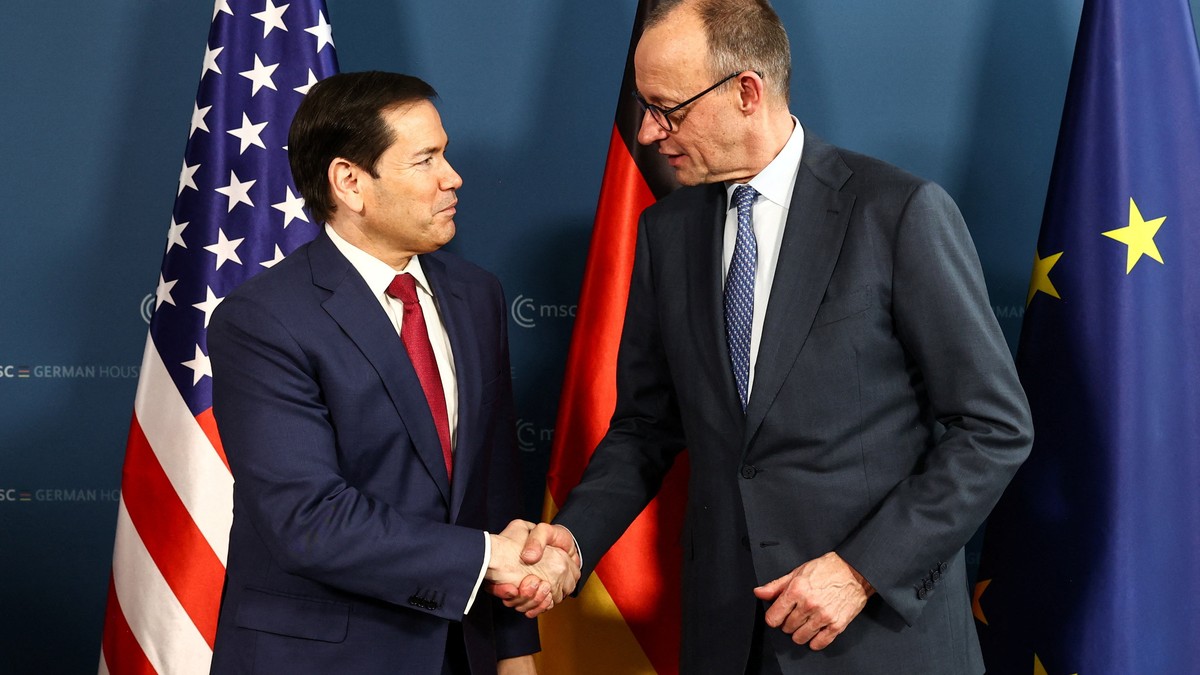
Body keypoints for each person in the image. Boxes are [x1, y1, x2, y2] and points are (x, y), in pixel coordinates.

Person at [507, 1, 1033, 673]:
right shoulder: (667, 232)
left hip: (875, 638)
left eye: (667, 110)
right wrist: (572, 542)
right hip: (726, 637)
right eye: (645, 107)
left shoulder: (896, 212)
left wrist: (862, 570)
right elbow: (645, 426)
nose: (646, 132)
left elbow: (993, 427)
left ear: (747, 93)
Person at [207, 71, 578, 675]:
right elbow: (308, 520)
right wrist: (489, 558)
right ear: (350, 182)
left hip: (462, 653)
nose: (452, 177)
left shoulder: (477, 295)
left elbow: (492, 490)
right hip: (322, 660)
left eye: (445, 154)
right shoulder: (262, 321)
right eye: (425, 160)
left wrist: (514, 650)